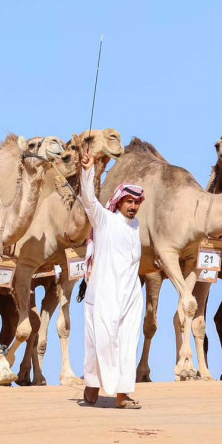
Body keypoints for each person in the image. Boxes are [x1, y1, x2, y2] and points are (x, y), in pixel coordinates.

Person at [77, 150, 144, 409]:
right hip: (104, 292)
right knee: (100, 342)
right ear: (119, 202)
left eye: (137, 203)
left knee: (127, 343)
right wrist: (88, 171)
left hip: (130, 295)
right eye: (129, 202)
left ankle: (122, 394)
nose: (133, 206)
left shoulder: (136, 226)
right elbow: (89, 200)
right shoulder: (105, 219)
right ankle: (93, 382)